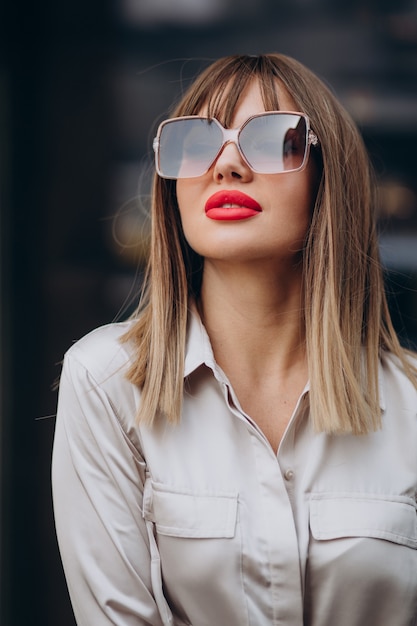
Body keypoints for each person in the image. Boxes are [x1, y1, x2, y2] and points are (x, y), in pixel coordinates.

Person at [52, 54, 417, 626]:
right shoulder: (104, 383)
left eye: (271, 138)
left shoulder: (412, 405)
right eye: (194, 144)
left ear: (329, 172)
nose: (226, 166)